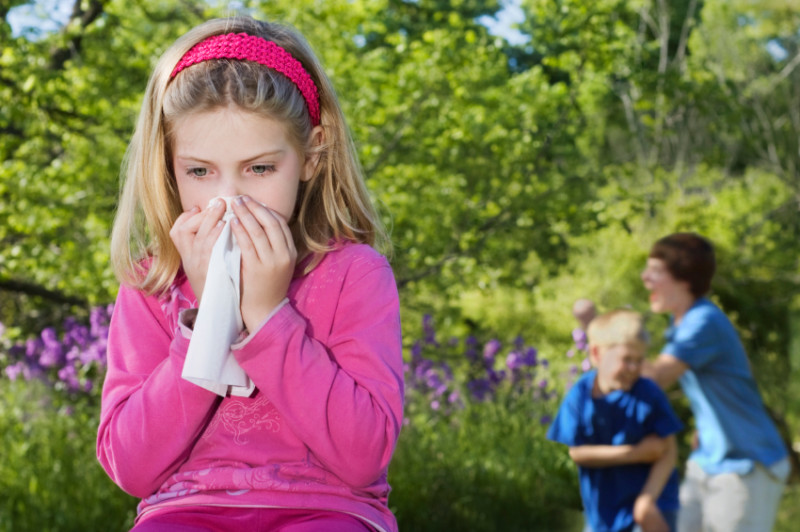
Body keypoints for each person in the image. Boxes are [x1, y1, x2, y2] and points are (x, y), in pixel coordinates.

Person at [97, 16, 404, 532]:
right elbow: (130, 467)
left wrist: (266, 315)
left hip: (327, 510)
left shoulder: (355, 273)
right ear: (169, 166)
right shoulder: (155, 284)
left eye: (260, 169)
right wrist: (207, 320)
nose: (229, 199)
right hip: (185, 510)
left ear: (310, 154)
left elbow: (364, 456)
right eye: (200, 171)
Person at [640, 232, 790, 532]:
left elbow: (655, 379)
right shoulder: (683, 320)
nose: (645, 278)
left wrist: (609, 347)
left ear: (683, 278)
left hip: (748, 465)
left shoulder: (702, 321)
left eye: (655, 271)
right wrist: (706, 425)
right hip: (708, 460)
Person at [548, 309, 682, 532]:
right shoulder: (580, 395)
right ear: (596, 354)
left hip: (653, 506)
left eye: (639, 360)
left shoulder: (648, 393)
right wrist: (636, 453)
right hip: (603, 514)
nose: (634, 368)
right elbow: (578, 453)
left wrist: (646, 502)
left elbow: (667, 452)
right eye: (626, 359)